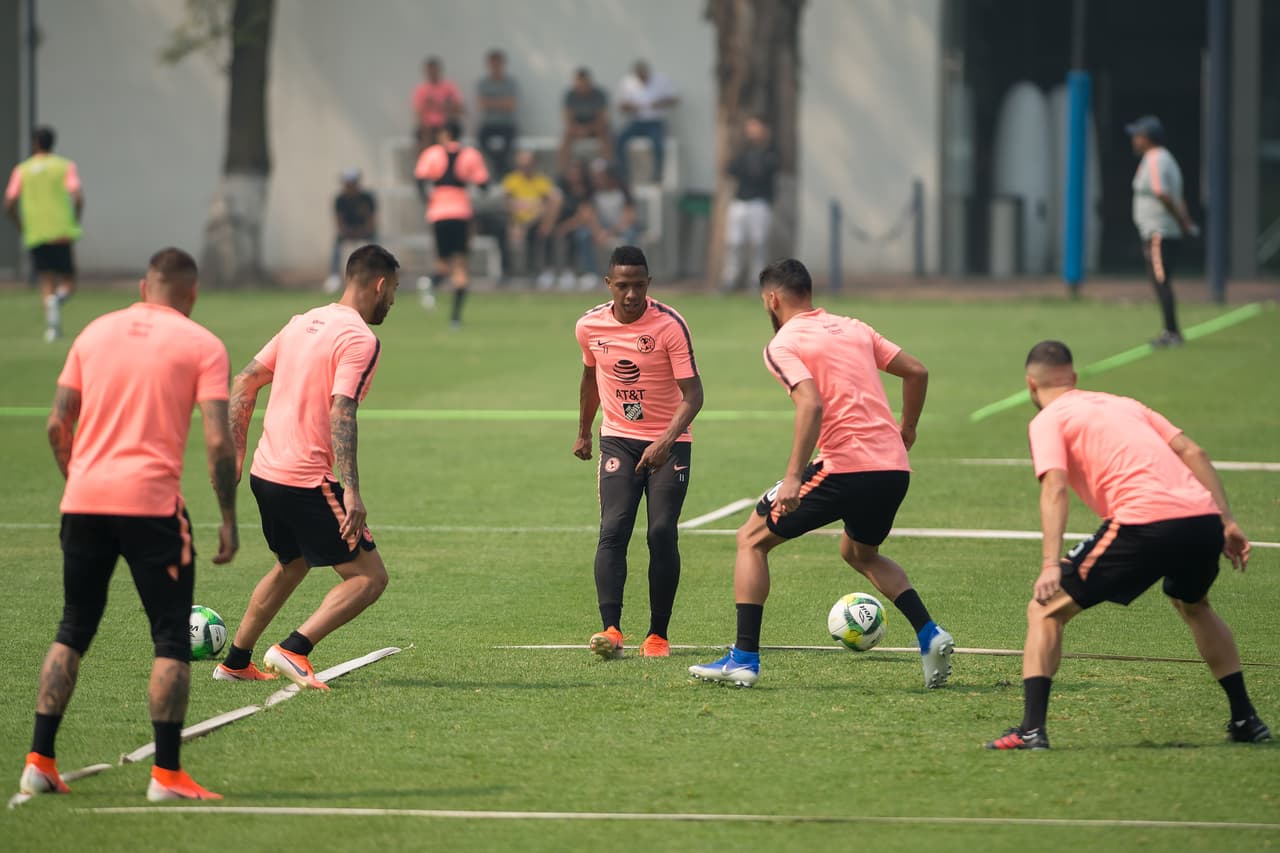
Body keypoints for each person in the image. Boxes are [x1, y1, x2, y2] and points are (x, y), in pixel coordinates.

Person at [18, 248, 238, 803]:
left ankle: (39, 761)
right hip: (152, 507)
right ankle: (166, 775)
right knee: (169, 639)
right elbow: (217, 440)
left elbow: (55, 424)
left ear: (145, 287)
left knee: (73, 628)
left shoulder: (93, 333)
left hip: (84, 502)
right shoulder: (202, 344)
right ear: (191, 295)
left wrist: (77, 479)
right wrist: (230, 517)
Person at [985, 340, 1270, 750]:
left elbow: (1055, 489)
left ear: (1031, 384)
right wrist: (1226, 520)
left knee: (1045, 609)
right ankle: (1246, 719)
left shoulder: (1049, 419)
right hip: (1202, 519)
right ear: (1075, 378)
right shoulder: (1125, 404)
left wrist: (1051, 563)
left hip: (1144, 522)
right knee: (1194, 604)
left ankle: (1031, 729)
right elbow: (1194, 451)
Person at [690, 258, 953, 689]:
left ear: (772, 299)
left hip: (845, 467)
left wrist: (793, 476)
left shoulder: (782, 343)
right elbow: (917, 371)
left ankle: (743, 658)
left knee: (750, 540)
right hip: (892, 469)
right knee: (859, 553)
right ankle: (929, 633)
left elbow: (811, 404)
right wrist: (906, 428)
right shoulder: (853, 327)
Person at [215, 245, 400, 690]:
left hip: (266, 472)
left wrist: (234, 454)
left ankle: (236, 661)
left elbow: (244, 380)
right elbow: (342, 410)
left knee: (292, 564)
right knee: (369, 579)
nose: (392, 301)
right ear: (378, 285)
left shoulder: (302, 323)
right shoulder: (359, 338)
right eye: (393, 291)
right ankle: (294, 648)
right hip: (305, 478)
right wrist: (351, 492)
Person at [574, 245, 704, 659]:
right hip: (617, 438)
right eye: (623, 286)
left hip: (670, 440)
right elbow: (590, 378)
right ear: (609, 284)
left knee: (661, 532)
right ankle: (610, 630)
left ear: (649, 284)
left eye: (639, 286)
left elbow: (694, 394)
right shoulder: (589, 326)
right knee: (613, 530)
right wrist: (583, 432)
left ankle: (657, 635)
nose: (631, 295)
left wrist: (664, 442)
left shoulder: (669, 325)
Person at [5, 126, 84, 342]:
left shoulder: (22, 170)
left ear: (34, 143)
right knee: (69, 281)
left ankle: (52, 328)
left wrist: (20, 224)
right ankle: (58, 301)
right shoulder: (64, 166)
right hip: (61, 230)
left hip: (36, 232)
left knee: (46, 280)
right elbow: (77, 196)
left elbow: (9, 202)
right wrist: (75, 218)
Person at [1126, 115, 1197, 348]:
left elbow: (1161, 192)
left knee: (1160, 281)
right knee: (1162, 281)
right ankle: (1171, 330)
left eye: (1137, 136)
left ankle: (1172, 331)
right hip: (1164, 229)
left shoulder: (1155, 159)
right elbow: (1178, 196)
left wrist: (1178, 219)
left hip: (1158, 231)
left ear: (1147, 138)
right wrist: (1185, 221)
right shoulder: (1166, 158)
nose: (1134, 140)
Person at [414, 120, 490, 327]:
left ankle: (430, 282)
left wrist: (428, 200)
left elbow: (420, 179)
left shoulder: (432, 153)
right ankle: (455, 318)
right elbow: (483, 183)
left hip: (438, 212)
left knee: (443, 263)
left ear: (445, 133)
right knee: (460, 267)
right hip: (460, 212)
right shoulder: (470, 155)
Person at [722, 117, 780, 292]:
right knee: (734, 242)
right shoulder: (743, 150)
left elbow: (762, 171)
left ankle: (756, 280)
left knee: (758, 243)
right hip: (740, 202)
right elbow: (732, 169)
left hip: (759, 203)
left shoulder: (771, 151)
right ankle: (730, 279)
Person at [615, 61, 678, 184]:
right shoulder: (628, 82)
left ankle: (657, 175)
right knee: (619, 140)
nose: (642, 78)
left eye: (643, 75)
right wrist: (631, 107)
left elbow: (675, 99)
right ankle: (623, 173)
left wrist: (659, 103)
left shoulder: (661, 79)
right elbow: (621, 107)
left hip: (655, 121)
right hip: (636, 121)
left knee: (657, 144)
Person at [501, 150, 558, 281]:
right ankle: (507, 272)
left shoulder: (541, 181)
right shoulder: (512, 180)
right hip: (516, 221)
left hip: (535, 222)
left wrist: (541, 216)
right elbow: (506, 204)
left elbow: (550, 202)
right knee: (501, 232)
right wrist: (513, 224)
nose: (525, 168)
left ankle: (539, 271)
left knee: (544, 232)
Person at [541, 159, 597, 291]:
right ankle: (548, 270)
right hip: (560, 220)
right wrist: (548, 225)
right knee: (546, 234)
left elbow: (584, 215)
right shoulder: (561, 187)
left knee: (576, 236)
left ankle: (571, 271)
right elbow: (554, 205)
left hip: (576, 224)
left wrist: (565, 228)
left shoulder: (587, 190)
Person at [325, 169, 377, 293]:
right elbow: (339, 222)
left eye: (352, 183)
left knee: (374, 247)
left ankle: (375, 274)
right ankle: (334, 277)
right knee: (337, 247)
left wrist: (362, 231)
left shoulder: (367, 198)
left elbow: (371, 221)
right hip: (347, 232)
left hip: (364, 231)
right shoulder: (340, 200)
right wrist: (348, 232)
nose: (350, 187)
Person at [476, 49, 519, 179]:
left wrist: (491, 102)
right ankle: (502, 170)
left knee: (507, 145)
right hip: (489, 124)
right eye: (493, 63)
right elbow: (482, 105)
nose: (495, 66)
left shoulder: (510, 83)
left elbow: (511, 106)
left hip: (506, 124)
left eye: (498, 63)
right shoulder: (483, 83)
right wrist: (502, 102)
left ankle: (500, 172)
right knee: (481, 141)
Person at [560, 68, 610, 173]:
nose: (582, 87)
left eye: (584, 84)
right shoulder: (570, 95)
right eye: (579, 84)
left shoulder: (599, 94)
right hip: (576, 129)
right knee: (565, 138)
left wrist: (588, 129)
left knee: (606, 135)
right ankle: (564, 171)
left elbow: (602, 118)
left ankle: (608, 169)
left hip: (595, 128)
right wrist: (578, 129)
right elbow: (567, 119)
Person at [412, 56, 464, 151]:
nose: (432, 73)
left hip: (447, 126)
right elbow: (419, 112)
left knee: (447, 140)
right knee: (423, 139)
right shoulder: (421, 90)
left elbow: (459, 109)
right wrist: (445, 106)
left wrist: (435, 105)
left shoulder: (449, 87)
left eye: (434, 70)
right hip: (429, 128)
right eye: (430, 70)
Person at [589, 160, 639, 253]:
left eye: (601, 176)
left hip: (620, 228)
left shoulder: (623, 193)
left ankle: (628, 263)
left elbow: (630, 218)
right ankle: (589, 267)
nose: (597, 180)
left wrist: (609, 233)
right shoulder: (593, 194)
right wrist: (597, 232)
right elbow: (591, 216)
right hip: (602, 227)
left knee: (630, 233)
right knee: (583, 235)